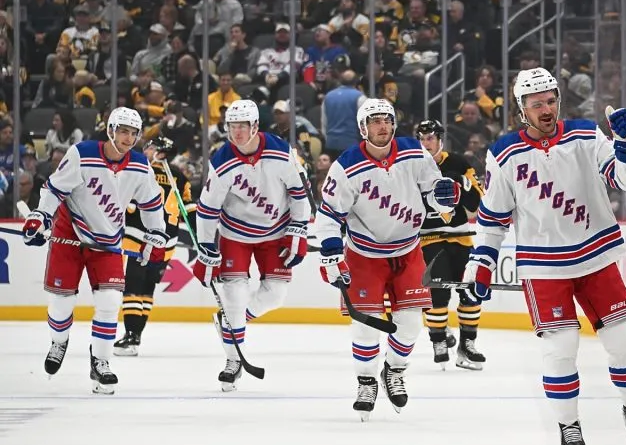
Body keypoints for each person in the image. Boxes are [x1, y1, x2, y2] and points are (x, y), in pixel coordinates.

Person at [463, 67, 626, 445]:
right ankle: (568, 423)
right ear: (522, 109)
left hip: (595, 256)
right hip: (544, 266)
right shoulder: (503, 153)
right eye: (537, 104)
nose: (546, 109)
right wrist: (482, 260)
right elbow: (493, 216)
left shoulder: (587, 135)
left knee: (623, 341)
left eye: (551, 101)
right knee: (561, 349)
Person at [316, 99, 460, 420]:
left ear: (394, 124)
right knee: (366, 329)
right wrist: (330, 254)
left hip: (407, 252)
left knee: (409, 327)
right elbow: (328, 215)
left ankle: (393, 371)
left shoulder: (414, 152)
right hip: (364, 256)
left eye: (386, 120)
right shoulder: (347, 165)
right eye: (375, 121)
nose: (382, 126)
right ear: (363, 128)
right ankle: (366, 381)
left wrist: (441, 196)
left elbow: (434, 190)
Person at [22, 107, 167, 394]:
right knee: (62, 304)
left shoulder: (140, 165)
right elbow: (54, 190)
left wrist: (156, 234)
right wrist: (41, 216)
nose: (128, 138)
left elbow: (151, 203)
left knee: (111, 301)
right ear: (111, 130)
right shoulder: (82, 153)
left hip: (108, 239)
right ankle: (59, 341)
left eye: (133, 133)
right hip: (69, 233)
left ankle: (100, 362)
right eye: (123, 131)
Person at [192, 99, 312, 392]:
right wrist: (206, 249)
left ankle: (232, 322)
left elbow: (300, 191)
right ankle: (233, 361)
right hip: (235, 234)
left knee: (275, 296)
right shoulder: (222, 160)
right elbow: (207, 209)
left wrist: (298, 231)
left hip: (276, 231)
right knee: (234, 295)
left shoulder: (281, 152)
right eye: (232, 127)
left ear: (255, 125)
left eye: (243, 126)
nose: (237, 132)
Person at [414, 119, 486, 370]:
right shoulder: (411, 166)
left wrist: (463, 186)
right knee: (438, 292)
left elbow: (476, 204)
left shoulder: (458, 164)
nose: (426, 144)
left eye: (430, 138)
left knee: (471, 291)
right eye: (422, 139)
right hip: (429, 238)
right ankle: (439, 340)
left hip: (461, 236)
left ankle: (467, 345)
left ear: (440, 139)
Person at [115, 136, 195, 356]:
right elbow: (189, 207)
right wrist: (197, 231)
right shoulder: (178, 176)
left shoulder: (138, 169)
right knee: (147, 287)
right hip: (167, 240)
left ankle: (131, 335)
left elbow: (125, 203)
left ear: (159, 152)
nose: (145, 150)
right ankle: (135, 335)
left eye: (150, 147)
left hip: (139, 235)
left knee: (133, 282)